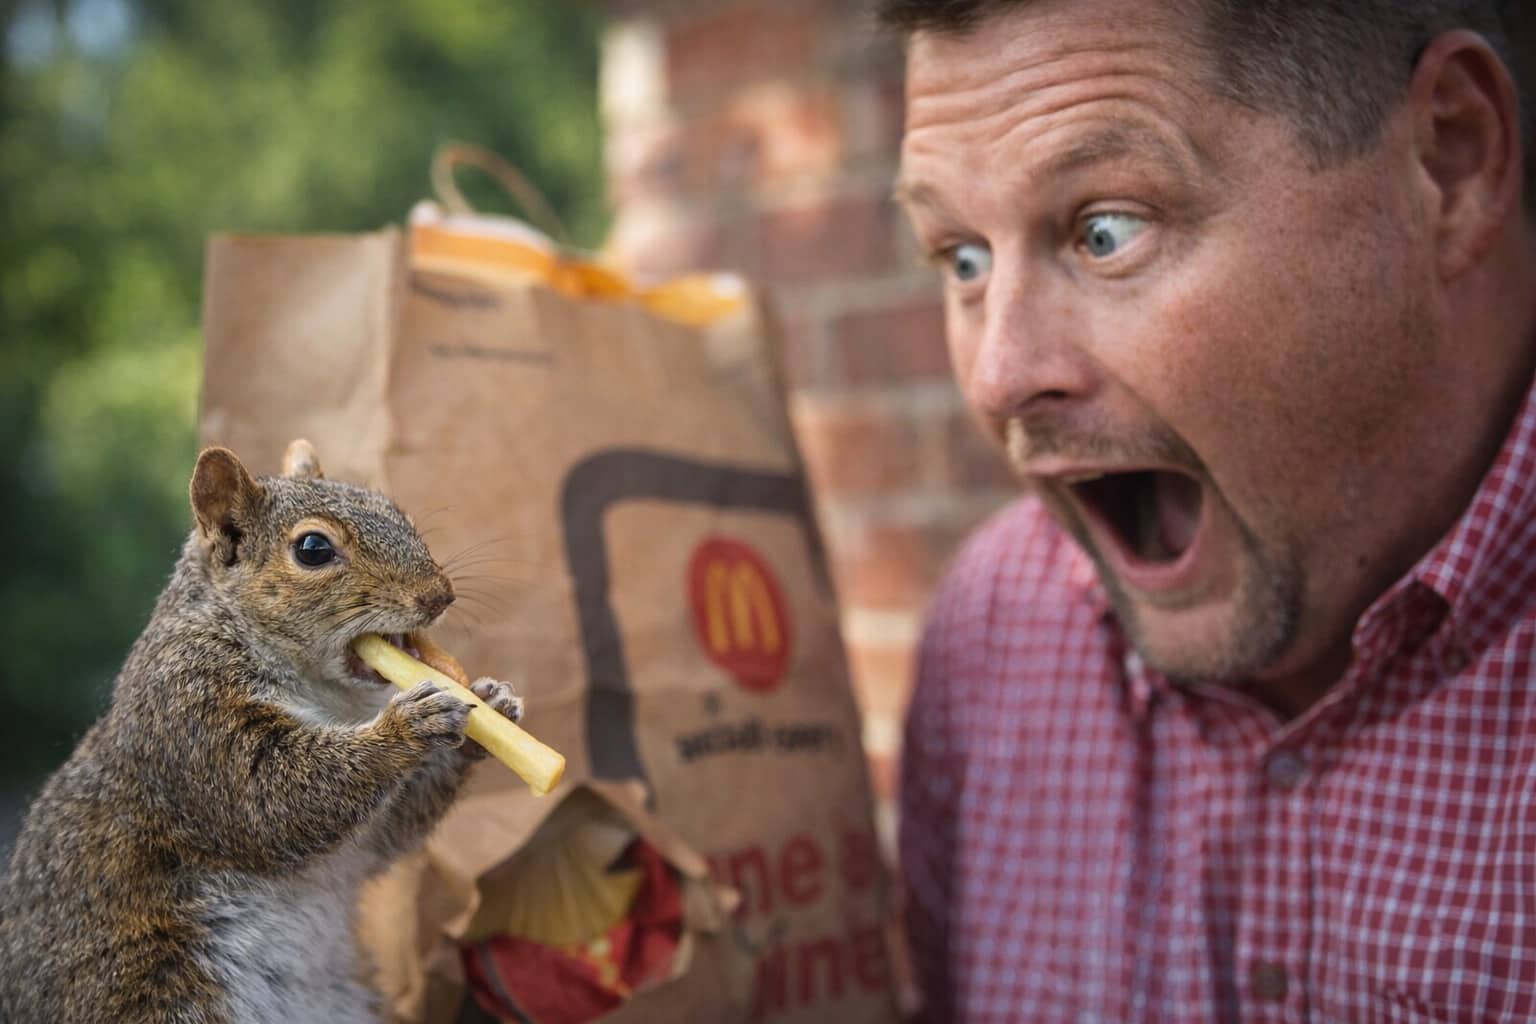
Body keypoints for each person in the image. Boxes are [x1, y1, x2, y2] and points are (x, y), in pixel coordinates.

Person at [884, 0, 1536, 1020]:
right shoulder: (989, 632)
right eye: (961, 257)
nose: (1002, 375)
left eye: (1105, 231)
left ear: (1450, 160)